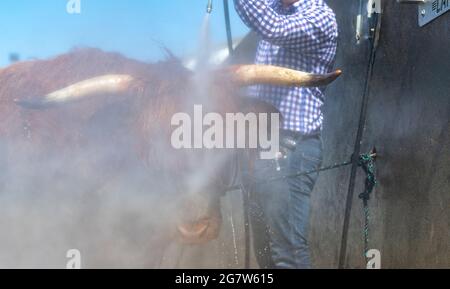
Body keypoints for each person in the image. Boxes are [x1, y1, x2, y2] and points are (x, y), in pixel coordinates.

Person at [234, 0, 338, 269]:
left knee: (288, 251)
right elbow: (259, 15)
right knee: (266, 250)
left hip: (292, 147)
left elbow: (273, 28)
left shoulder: (319, 15)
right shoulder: (274, 8)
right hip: (261, 148)